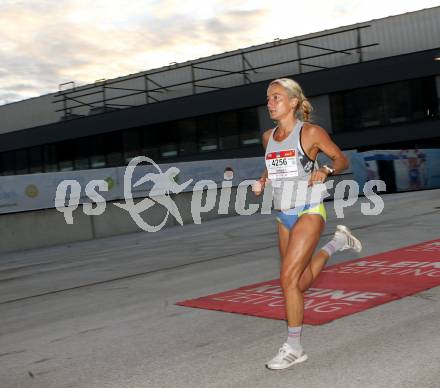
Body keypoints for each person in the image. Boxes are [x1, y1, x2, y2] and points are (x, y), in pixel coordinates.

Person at [252, 78, 362, 370]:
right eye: (268, 98)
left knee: (287, 280)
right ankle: (337, 243)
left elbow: (341, 160)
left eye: (276, 97)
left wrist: (325, 169)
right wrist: (262, 180)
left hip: (309, 210)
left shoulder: (311, 132)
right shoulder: (267, 137)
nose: (270, 102)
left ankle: (294, 347)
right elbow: (271, 162)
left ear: (292, 103)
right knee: (298, 284)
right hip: (283, 213)